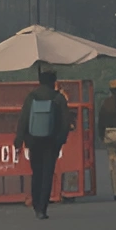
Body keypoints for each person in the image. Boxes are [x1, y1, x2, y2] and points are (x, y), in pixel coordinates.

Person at [11, 68, 73, 218]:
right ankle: (42, 208)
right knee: (47, 174)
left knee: (37, 173)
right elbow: (66, 122)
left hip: (33, 141)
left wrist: (19, 140)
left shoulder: (31, 97)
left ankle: (36, 204)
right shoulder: (58, 98)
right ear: (53, 82)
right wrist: (60, 140)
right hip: (51, 142)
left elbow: (23, 119)